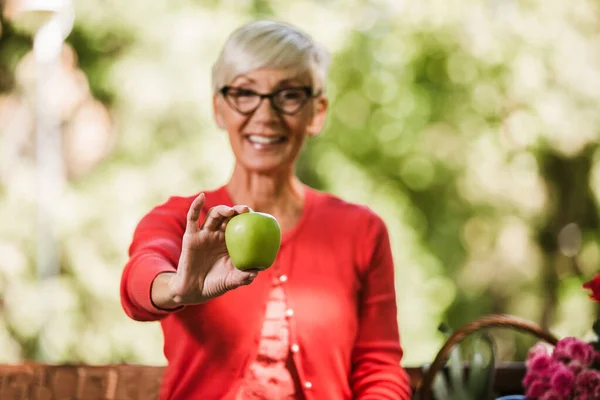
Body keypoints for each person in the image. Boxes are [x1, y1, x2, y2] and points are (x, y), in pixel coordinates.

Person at [120, 19, 412, 400]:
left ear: (317, 112)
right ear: (219, 108)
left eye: (288, 95)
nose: (265, 114)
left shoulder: (362, 230)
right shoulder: (184, 220)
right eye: (244, 92)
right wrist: (177, 288)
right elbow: (139, 277)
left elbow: (379, 367)